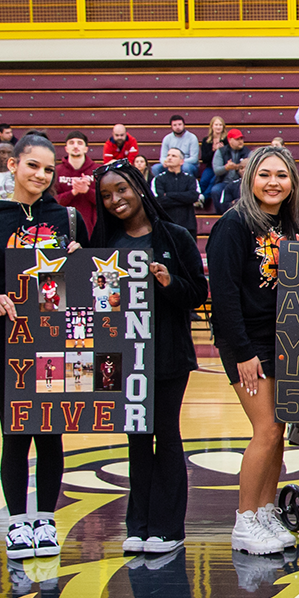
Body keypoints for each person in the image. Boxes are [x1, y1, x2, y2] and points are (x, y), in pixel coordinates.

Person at [0, 132, 81, 561]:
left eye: (49, 169)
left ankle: (45, 520)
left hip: (55, 340)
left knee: (50, 431)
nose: (41, 176)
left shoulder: (67, 220)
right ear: (13, 165)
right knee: (15, 430)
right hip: (6, 341)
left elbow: (86, 287)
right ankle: (16, 524)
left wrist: (80, 260)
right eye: (33, 166)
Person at [89, 161, 207, 555]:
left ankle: (169, 527)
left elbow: (198, 293)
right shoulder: (103, 244)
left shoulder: (174, 237)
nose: (115, 200)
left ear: (139, 187)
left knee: (166, 435)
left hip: (168, 353)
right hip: (122, 358)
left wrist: (168, 282)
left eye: (120, 190)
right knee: (137, 439)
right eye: (105, 196)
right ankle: (138, 524)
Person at [207, 146, 299, 554]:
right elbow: (224, 297)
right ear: (250, 180)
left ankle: (266, 510)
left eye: (282, 176)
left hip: (281, 338)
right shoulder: (233, 226)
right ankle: (244, 520)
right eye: (265, 174)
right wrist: (244, 352)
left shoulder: (284, 226)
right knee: (265, 430)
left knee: (278, 432)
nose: (273, 182)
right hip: (247, 343)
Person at [54, 130, 98, 237]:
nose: (75, 146)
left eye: (79, 143)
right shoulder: (56, 171)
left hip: (91, 231)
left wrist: (87, 191)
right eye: (71, 143)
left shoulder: (97, 170)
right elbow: (52, 202)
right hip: (62, 227)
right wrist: (73, 192)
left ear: (86, 148)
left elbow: (105, 202)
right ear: (66, 148)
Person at [150, 145, 200, 238]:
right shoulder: (158, 179)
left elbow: (193, 196)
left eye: (174, 156)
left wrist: (168, 195)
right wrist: (184, 198)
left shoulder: (190, 179)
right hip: (166, 225)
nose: (169, 158)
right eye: (168, 155)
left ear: (181, 161)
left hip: (188, 226)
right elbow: (160, 201)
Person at [206, 128, 249, 210]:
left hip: (241, 181)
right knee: (215, 190)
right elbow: (216, 170)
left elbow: (250, 168)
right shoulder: (220, 151)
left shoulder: (247, 152)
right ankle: (220, 215)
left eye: (241, 139)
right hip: (224, 181)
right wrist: (226, 168)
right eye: (237, 139)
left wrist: (236, 167)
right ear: (230, 140)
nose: (240, 141)